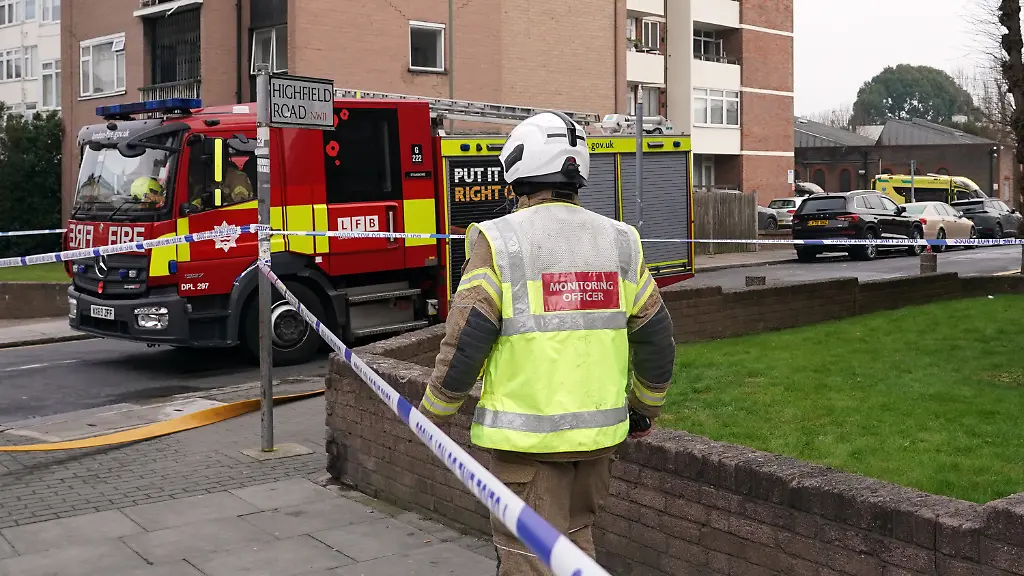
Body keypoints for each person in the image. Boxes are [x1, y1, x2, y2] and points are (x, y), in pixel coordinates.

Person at [418, 111, 676, 575]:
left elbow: (467, 335)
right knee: (575, 549)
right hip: (598, 443)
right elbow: (656, 335)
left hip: (528, 445)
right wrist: (644, 409)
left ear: (518, 171)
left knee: (530, 562)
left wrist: (434, 413)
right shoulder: (620, 242)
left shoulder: (501, 241)